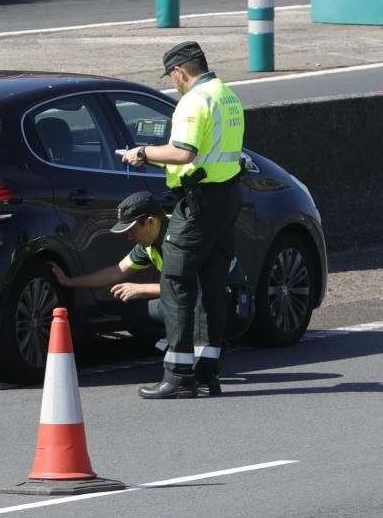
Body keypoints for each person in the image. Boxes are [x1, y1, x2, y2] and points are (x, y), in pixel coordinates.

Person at [119, 41, 245, 399]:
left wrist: (142, 153)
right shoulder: (228, 96)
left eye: (172, 77)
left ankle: (177, 375)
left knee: (175, 282)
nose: (174, 83)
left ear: (179, 71)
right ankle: (208, 373)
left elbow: (183, 152)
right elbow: (208, 153)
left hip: (198, 203)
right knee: (212, 286)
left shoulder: (193, 101)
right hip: (226, 198)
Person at [48, 191, 223, 397]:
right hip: (197, 303)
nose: (129, 237)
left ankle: (189, 367)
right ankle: (187, 359)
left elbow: (193, 286)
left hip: (224, 306)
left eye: (132, 230)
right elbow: (116, 271)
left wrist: (141, 289)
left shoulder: (179, 238)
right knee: (135, 314)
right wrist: (70, 282)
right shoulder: (151, 241)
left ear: (150, 222)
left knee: (175, 305)